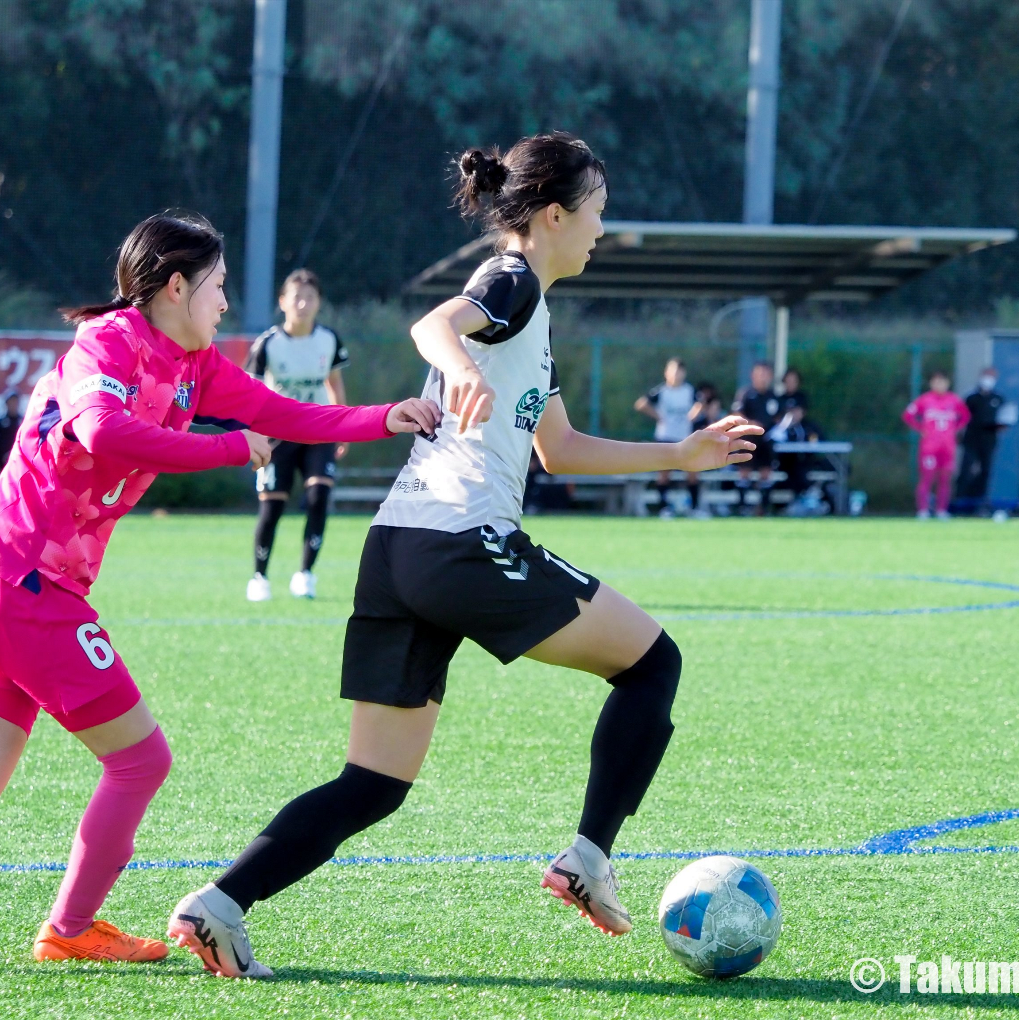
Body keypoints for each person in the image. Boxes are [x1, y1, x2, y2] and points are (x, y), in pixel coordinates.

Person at [167, 133, 761, 979]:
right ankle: (588, 858)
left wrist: (681, 454)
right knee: (652, 662)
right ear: (554, 215)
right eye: (597, 212)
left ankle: (217, 905)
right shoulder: (512, 281)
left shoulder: (533, 313)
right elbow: (434, 323)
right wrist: (454, 363)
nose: (603, 229)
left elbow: (559, 448)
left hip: (397, 548)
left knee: (373, 782)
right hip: (461, 543)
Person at [0, 213, 438, 965]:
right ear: (174, 286)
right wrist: (226, 448)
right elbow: (99, 430)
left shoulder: (195, 364)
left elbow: (287, 414)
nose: (226, 304)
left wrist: (383, 418)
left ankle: (69, 929)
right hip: (23, 583)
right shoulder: (106, 344)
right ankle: (69, 931)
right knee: (141, 760)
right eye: (219, 287)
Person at [243, 268, 350, 601]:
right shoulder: (268, 344)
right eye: (296, 297)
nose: (303, 303)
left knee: (319, 497)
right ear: (283, 302)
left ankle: (306, 574)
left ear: (319, 303)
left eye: (310, 297)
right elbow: (250, 394)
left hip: (319, 429)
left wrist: (343, 425)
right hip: (278, 434)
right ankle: (259, 578)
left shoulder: (329, 339)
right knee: (272, 507)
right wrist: (253, 435)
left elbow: (334, 382)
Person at [634, 357, 706, 518]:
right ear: (666, 373)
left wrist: (692, 416)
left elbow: (700, 403)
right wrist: (658, 416)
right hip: (665, 436)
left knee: (693, 471)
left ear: (684, 373)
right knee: (664, 473)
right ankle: (664, 509)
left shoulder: (689, 390)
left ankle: (694, 508)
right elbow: (641, 403)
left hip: (685, 438)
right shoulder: (662, 391)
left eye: (679, 371)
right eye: (673, 371)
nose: (676, 375)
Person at [902, 369, 970, 519]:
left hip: (947, 446)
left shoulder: (954, 400)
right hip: (929, 447)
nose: (939, 385)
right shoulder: (925, 400)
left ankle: (941, 510)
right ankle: (923, 510)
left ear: (947, 383)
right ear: (932, 383)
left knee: (945, 478)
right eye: (936, 381)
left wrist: (955, 429)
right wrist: (920, 429)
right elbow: (908, 415)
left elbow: (965, 416)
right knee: (927, 477)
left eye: (942, 381)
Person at [956, 366, 1006, 513]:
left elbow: (1005, 418)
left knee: (985, 472)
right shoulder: (971, 397)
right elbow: (960, 417)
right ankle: (961, 502)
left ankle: (979, 504)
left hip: (989, 441)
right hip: (971, 439)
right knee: (966, 470)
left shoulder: (998, 398)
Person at [731, 361, 779, 515]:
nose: (763, 377)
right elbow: (737, 414)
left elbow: (779, 417)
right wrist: (752, 425)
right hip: (749, 439)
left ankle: (763, 509)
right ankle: (742, 507)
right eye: (760, 373)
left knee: (766, 472)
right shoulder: (746, 394)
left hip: (766, 440)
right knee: (745, 472)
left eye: (766, 374)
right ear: (753, 375)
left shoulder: (773, 396)